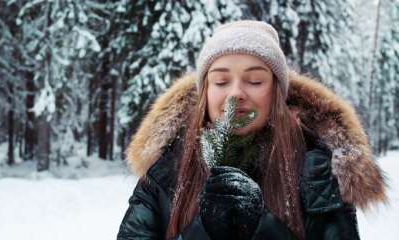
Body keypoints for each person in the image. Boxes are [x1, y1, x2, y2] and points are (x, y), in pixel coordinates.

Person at [117, 20, 387, 240]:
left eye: (255, 80)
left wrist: (265, 228)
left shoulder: (317, 170)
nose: (236, 94)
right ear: (205, 93)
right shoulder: (166, 169)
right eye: (221, 81)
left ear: (277, 94)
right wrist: (203, 231)